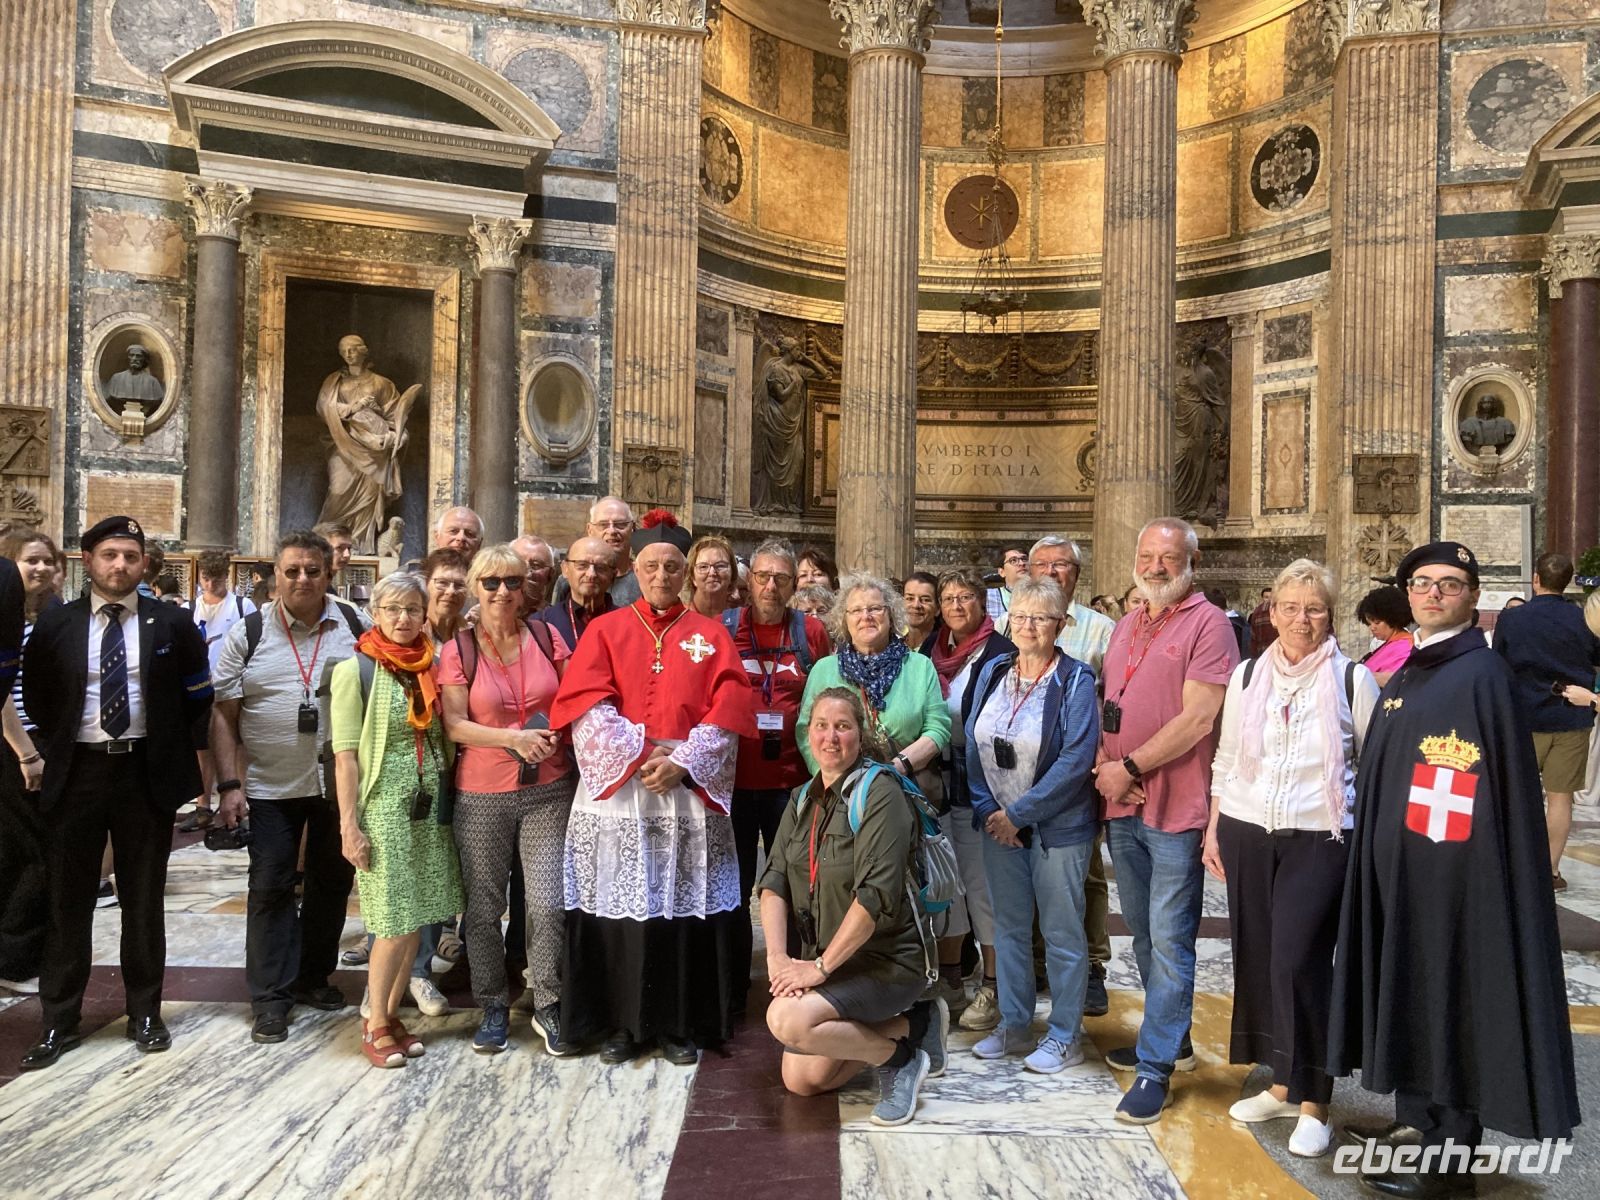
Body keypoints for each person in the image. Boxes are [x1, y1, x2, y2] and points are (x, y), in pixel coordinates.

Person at [1330, 543, 1579, 1199]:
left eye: (1450, 584)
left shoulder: (1481, 677)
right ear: (1406, 592)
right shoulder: (1415, 670)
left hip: (1455, 888)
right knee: (1410, 998)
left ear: (1473, 596)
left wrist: (1461, 880)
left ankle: (1450, 1157)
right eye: (1422, 583)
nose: (1433, 594)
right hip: (1402, 882)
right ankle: (1415, 1123)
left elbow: (1491, 797)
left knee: (1450, 1005)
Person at [548, 525, 753, 1064]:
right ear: (632, 571)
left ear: (685, 573)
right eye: (651, 567)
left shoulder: (710, 633)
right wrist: (644, 758)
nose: (662, 576)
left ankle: (677, 1024)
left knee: (681, 909)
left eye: (672, 567)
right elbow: (586, 703)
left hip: (685, 791)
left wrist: (683, 761)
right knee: (620, 906)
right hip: (621, 792)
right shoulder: (607, 629)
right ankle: (620, 1024)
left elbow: (730, 703)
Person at [1202, 560, 1379, 1159]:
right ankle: (1280, 1082)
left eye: (1315, 608)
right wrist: (1214, 827)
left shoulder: (1354, 679)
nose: (1302, 619)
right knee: (1259, 957)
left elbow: (1372, 771)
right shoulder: (1248, 675)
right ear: (1270, 610)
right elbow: (1226, 758)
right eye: (1290, 607)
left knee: (1300, 962)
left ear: (1330, 614)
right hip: (1250, 828)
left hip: (1320, 836)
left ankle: (1315, 1103)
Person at [19, 517, 211, 1070]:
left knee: (143, 899)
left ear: (145, 562)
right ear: (87, 559)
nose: (120, 565)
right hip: (76, 772)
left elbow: (196, 696)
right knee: (68, 899)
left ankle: (145, 1012)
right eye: (110, 555)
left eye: (131, 555)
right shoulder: (57, 622)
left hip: (142, 774)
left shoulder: (170, 623)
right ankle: (58, 1018)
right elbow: (38, 696)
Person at [1095, 517, 1239, 1124]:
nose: (1155, 566)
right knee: (1145, 934)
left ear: (1192, 564)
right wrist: (1108, 766)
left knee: (1173, 939)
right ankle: (1170, 1037)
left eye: (1168, 557)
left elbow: (1199, 718)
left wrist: (1126, 763)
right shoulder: (1129, 623)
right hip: (1122, 804)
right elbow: (1114, 705)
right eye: (1147, 556)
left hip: (1175, 806)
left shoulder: (1209, 625)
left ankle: (1155, 1068)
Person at [760, 687, 945, 1126]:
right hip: (834, 961)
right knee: (801, 1078)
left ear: (861, 736)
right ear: (808, 734)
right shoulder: (803, 798)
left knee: (787, 1020)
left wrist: (818, 969)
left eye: (842, 726)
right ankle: (915, 1027)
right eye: (821, 726)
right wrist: (777, 957)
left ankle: (899, 1060)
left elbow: (874, 898)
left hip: (886, 963)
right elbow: (773, 883)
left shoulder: (881, 794)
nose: (830, 737)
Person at [212, 531, 368, 1045]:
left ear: (330, 574)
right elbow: (224, 713)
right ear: (275, 575)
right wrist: (229, 784)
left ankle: (312, 976)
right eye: (292, 570)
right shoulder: (249, 632)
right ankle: (270, 997)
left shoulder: (353, 624)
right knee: (271, 886)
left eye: (313, 571)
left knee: (331, 884)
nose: (303, 579)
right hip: (270, 785)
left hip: (336, 785)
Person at [439, 544, 575, 1055]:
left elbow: (570, 698)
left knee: (546, 902)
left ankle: (546, 1000)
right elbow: (453, 723)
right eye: (492, 583)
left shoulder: (546, 635)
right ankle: (493, 1002)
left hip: (547, 788)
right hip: (482, 793)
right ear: (476, 587)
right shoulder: (459, 649)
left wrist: (553, 733)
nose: (502, 592)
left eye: (513, 583)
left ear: (527, 590)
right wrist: (514, 739)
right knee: (484, 907)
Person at [965, 577, 1100, 1074]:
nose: (1028, 626)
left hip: (1057, 829)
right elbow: (973, 740)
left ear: (1061, 625)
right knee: (1011, 930)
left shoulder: (1077, 679)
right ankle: (1016, 1023)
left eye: (1041, 618)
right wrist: (988, 812)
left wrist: (1017, 816)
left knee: (1063, 933)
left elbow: (1075, 759)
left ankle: (1065, 1035)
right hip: (998, 826)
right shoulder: (994, 669)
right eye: (1020, 616)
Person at [330, 572, 463, 1068]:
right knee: (389, 920)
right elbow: (344, 757)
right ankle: (374, 1023)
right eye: (393, 609)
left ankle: (390, 1011)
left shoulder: (430, 665)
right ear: (376, 613)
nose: (403, 619)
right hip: (384, 805)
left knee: (417, 918)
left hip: (429, 810)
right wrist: (350, 826)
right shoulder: (357, 669)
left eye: (412, 609)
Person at [723, 540, 832, 1009]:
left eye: (782, 579)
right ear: (749, 581)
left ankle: (794, 976)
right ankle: (730, 981)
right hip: (732, 781)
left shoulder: (810, 632)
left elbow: (826, 699)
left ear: (794, 584)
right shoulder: (725, 630)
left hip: (792, 784)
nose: (771, 586)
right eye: (763, 577)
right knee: (734, 881)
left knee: (794, 882)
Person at [1013, 535, 1115, 1015]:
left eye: (1063, 565)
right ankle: (1035, 963)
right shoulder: (1005, 623)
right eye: (1043, 565)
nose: (1052, 572)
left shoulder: (1101, 630)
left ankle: (1092, 966)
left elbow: (1114, 704)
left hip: (1075, 774)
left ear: (1077, 574)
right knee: (1025, 872)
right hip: (1015, 776)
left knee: (1086, 876)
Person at [925, 568, 1013, 1029]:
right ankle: (952, 978)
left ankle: (994, 985)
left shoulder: (1000, 654)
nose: (956, 606)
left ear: (983, 604)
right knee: (947, 886)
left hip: (979, 786)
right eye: (949, 598)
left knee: (981, 887)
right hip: (936, 784)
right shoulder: (930, 651)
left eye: (966, 598)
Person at [1491, 551, 1600, 891]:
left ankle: (1512, 867)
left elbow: (1499, 664)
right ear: (1567, 582)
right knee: (1560, 798)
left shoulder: (1512, 619)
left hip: (1523, 717)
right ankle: (1550, 870)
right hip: (1571, 715)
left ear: (1535, 579)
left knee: (1516, 795)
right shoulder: (1583, 618)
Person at [187, 551, 256, 832]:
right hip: (200, 687)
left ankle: (241, 801)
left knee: (237, 745)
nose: (211, 585)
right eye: (206, 579)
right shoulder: (190, 608)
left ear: (226, 576)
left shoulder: (242, 606)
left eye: (217, 579)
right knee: (202, 748)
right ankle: (202, 806)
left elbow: (254, 643)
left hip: (234, 686)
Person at [0, 549, 36, 996]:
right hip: (15, 748)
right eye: (32, 560)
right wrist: (25, 751)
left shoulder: (56, 619)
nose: (41, 569)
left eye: (49, 560)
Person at [553, 495, 641, 607]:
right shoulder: (570, 579)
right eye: (603, 525)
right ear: (590, 530)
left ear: (632, 527)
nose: (612, 531)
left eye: (620, 524)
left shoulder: (644, 579)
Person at [540, 536, 616, 648]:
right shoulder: (543, 623)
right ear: (565, 569)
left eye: (601, 567)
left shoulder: (629, 624)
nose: (591, 574)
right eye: (582, 565)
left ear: (613, 575)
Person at [1355, 585, 1413, 686]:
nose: (1372, 628)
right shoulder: (1389, 643)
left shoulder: (1405, 647)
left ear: (1392, 618)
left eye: (1377, 622)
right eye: (1369, 624)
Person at [421, 548, 470, 644]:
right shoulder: (410, 634)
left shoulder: (474, 639)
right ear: (425, 583)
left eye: (460, 585)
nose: (451, 591)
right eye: (442, 582)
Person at [685, 534, 736, 619]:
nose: (712, 572)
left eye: (720, 566)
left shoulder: (740, 621)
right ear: (692, 577)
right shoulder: (679, 619)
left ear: (732, 573)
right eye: (703, 567)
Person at [511, 534, 555, 614]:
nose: (527, 573)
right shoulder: (486, 616)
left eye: (536, 565)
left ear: (550, 575)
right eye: (519, 563)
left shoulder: (555, 620)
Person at [985, 545, 1029, 622]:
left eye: (1024, 559)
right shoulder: (987, 597)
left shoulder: (1044, 595)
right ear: (1002, 572)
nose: (1022, 563)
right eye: (1013, 560)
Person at [313, 521, 356, 599]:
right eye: (339, 548)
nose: (347, 554)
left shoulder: (327, 587)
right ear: (320, 549)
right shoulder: (310, 588)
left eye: (349, 548)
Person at [901, 571, 940, 651]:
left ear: (938, 608)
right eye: (910, 598)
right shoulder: (891, 642)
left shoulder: (943, 647)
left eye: (925, 600)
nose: (916, 605)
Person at [1248, 587, 1276, 658]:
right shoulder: (1279, 609)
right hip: (1277, 652)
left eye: (1271, 597)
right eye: (1266, 597)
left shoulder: (1256, 612)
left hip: (1261, 654)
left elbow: (1253, 637)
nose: (1269, 600)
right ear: (1262, 598)